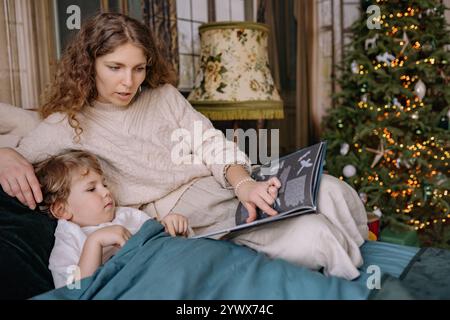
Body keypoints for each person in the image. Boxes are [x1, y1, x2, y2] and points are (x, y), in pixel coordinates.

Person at [0, 12, 368, 281]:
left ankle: (362, 265)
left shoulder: (163, 97)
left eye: (139, 68)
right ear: (88, 63)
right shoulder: (64, 125)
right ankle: (353, 280)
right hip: (182, 213)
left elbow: (210, 143)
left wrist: (245, 185)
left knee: (335, 190)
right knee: (311, 238)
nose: (129, 82)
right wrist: (5, 154)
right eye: (115, 67)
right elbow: (20, 147)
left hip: (225, 180)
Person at [34, 149, 189, 288]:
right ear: (62, 210)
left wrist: (171, 226)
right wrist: (95, 241)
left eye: (105, 185)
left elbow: (156, 240)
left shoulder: (127, 215)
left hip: (160, 276)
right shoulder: (68, 242)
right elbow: (74, 290)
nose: (106, 192)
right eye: (91, 189)